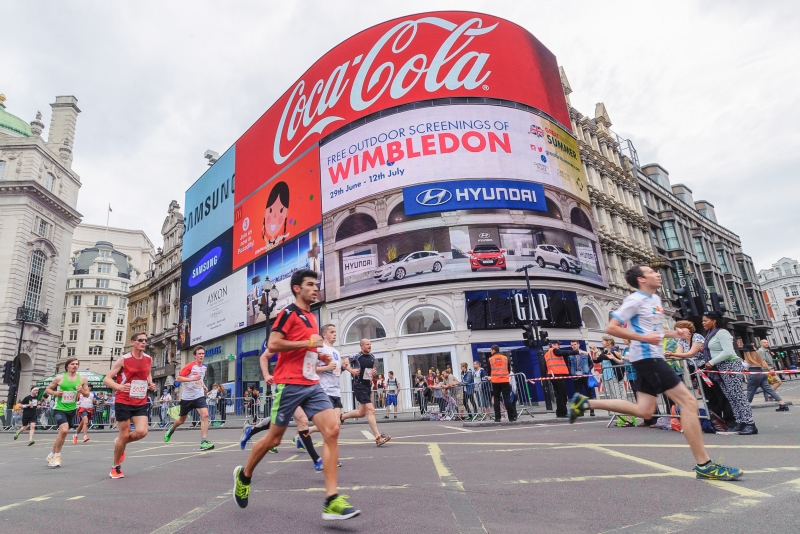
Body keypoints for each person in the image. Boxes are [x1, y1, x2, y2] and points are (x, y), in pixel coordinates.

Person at [569, 264, 743, 481]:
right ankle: (704, 465)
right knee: (689, 403)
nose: (657, 274)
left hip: (648, 358)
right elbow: (611, 328)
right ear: (641, 279)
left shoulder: (654, 299)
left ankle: (584, 403)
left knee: (644, 410)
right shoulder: (635, 300)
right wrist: (645, 339)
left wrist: (674, 333)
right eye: (651, 272)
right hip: (648, 357)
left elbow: (655, 331)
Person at [233, 269, 359, 520]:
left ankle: (331, 500)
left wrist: (319, 354)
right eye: (310, 284)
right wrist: (307, 345)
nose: (315, 288)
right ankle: (244, 476)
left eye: (317, 284)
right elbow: (273, 345)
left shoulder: (311, 316)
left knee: (332, 430)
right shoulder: (287, 313)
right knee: (274, 439)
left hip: (312, 383)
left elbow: (309, 347)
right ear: (297, 289)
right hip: (289, 384)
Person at [104, 332, 157, 478]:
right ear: (133, 342)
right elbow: (107, 379)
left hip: (140, 400)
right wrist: (120, 387)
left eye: (145, 340)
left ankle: (120, 442)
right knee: (125, 434)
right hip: (124, 401)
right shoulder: (123, 360)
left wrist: (150, 383)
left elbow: (147, 373)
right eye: (140, 340)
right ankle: (115, 467)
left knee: (142, 432)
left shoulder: (148, 359)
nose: (143, 343)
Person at [701, 311, 757, 435]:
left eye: (705, 320)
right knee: (731, 397)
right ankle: (740, 422)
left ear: (713, 321)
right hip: (720, 367)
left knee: (738, 396)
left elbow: (728, 352)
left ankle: (750, 424)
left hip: (730, 365)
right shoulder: (711, 334)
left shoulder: (722, 332)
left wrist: (711, 361)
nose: (703, 323)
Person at [164, 346, 215, 450]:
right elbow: (178, 378)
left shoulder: (204, 367)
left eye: (203, 354)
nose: (201, 355)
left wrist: (203, 385)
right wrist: (191, 379)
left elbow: (200, 379)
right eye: (199, 354)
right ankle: (171, 429)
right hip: (187, 398)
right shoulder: (190, 366)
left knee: (205, 415)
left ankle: (203, 442)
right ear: (195, 356)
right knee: (181, 421)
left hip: (199, 396)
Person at [341, 338, 391, 446]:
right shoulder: (356, 356)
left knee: (362, 413)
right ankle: (378, 437)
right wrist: (352, 371)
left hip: (367, 385)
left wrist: (374, 372)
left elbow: (372, 370)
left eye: (370, 344)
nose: (369, 346)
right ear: (361, 346)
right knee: (371, 410)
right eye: (367, 344)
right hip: (359, 385)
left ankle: (342, 417)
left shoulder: (372, 357)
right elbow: (343, 364)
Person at [45, 358, 90, 468]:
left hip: (72, 409)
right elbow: (48, 389)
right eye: (72, 364)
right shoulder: (60, 378)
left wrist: (82, 391)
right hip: (59, 408)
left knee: (62, 433)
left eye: (76, 364)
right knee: (64, 431)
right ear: (67, 366)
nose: (75, 366)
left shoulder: (82, 379)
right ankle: (57, 456)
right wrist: (56, 393)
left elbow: (87, 394)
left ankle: (51, 454)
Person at [742, 345, 788, 410]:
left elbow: (747, 365)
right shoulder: (757, 355)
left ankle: (745, 407)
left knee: (750, 390)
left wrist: (740, 362)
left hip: (754, 374)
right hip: (762, 372)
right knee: (769, 389)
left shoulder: (750, 357)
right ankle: (782, 403)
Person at [561, 341, 596, 416]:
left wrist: (587, 370)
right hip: (576, 376)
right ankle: (581, 411)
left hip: (585, 376)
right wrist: (572, 372)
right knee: (579, 394)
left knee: (589, 393)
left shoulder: (585, 353)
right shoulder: (570, 355)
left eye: (575, 344)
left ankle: (592, 411)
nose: (573, 346)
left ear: (578, 345)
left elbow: (591, 363)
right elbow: (569, 365)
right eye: (572, 345)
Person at [488, 345, 517, 422]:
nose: (491, 352)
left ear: (494, 350)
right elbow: (508, 369)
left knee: (496, 399)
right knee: (506, 399)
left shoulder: (491, 359)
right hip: (505, 380)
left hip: (495, 381)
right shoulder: (505, 358)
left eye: (491, 350)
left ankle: (498, 418)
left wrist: (490, 377)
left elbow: (489, 371)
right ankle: (511, 417)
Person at [543, 341, 571, 418]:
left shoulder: (547, 354)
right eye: (558, 345)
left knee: (559, 395)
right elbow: (565, 352)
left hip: (553, 375)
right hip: (557, 375)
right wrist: (578, 352)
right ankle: (563, 412)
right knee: (562, 395)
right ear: (553, 345)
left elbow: (545, 366)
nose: (559, 346)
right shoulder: (554, 350)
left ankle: (559, 412)